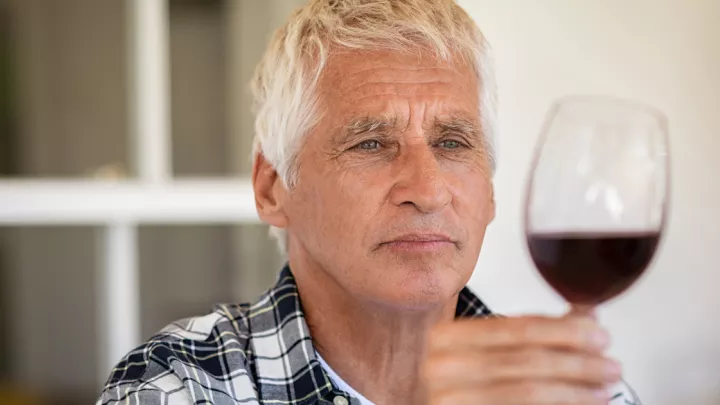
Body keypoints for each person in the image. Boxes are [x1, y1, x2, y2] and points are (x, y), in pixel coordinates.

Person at [98, 1, 638, 404]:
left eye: (453, 143)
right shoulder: (179, 384)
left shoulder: (586, 395)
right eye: (371, 143)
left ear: (490, 191)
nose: (427, 190)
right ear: (272, 188)